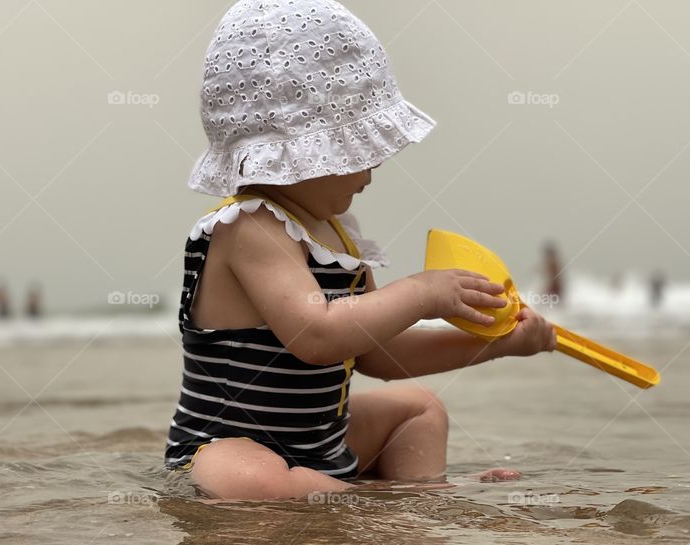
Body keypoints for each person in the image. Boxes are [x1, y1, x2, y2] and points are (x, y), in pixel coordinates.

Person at [163, 0, 556, 500]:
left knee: (419, 408)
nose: (370, 175)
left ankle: (420, 489)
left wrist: (495, 345)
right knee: (244, 478)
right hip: (230, 449)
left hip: (324, 445)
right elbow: (318, 335)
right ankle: (375, 500)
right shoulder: (249, 228)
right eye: (358, 154)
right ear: (305, 152)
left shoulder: (337, 235)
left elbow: (377, 355)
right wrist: (420, 292)